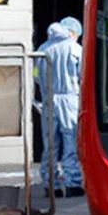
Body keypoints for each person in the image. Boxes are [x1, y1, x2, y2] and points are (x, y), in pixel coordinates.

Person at [37, 16, 84, 197]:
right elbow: (82, 75)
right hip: (70, 98)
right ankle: (73, 183)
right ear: (72, 33)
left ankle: (50, 184)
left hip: (48, 99)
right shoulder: (75, 49)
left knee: (50, 143)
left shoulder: (43, 49)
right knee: (70, 140)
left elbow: (36, 75)